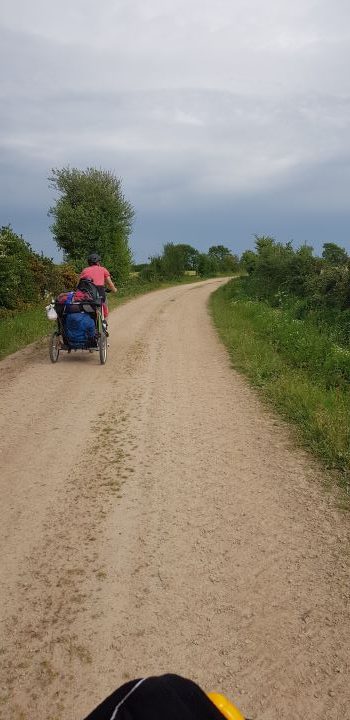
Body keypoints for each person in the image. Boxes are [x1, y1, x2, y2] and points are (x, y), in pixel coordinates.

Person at [79, 252, 117, 320]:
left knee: (85, 310)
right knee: (105, 310)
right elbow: (110, 283)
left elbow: (79, 284)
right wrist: (114, 290)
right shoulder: (103, 269)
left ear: (89, 263)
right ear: (98, 262)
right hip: (100, 296)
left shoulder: (84, 270)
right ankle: (104, 324)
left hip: (87, 297)